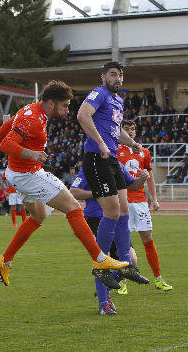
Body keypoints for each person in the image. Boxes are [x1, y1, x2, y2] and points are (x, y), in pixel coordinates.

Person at [0, 80, 129, 290]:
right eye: (64, 106)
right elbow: (9, 143)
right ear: (51, 103)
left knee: (38, 217)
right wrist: (31, 154)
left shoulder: (31, 110)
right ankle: (100, 259)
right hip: (28, 174)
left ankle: (5, 260)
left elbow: (7, 126)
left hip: (17, 173)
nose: (67, 110)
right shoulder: (33, 119)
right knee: (73, 207)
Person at [77, 61, 149, 286]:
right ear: (103, 77)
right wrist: (100, 144)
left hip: (113, 158)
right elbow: (82, 115)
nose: (117, 79)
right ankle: (101, 265)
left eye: (120, 76)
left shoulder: (118, 100)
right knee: (113, 211)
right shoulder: (98, 93)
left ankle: (126, 265)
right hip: (98, 158)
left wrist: (131, 143)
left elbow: (115, 130)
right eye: (113, 74)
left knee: (124, 209)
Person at [70, 162, 149, 315]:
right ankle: (103, 304)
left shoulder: (117, 164)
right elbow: (73, 191)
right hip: (96, 218)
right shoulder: (90, 167)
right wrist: (97, 193)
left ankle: (104, 289)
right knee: (103, 261)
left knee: (131, 260)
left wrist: (142, 178)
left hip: (117, 220)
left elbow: (132, 185)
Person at [117, 119, 173, 293]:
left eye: (132, 129)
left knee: (148, 239)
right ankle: (122, 281)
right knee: (122, 242)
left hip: (140, 202)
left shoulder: (144, 152)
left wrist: (154, 199)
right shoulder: (115, 151)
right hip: (122, 201)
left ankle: (158, 278)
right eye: (126, 129)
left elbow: (150, 177)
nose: (131, 132)